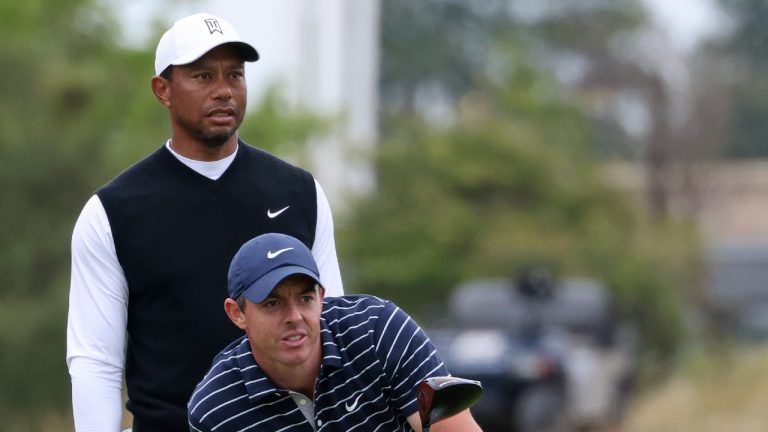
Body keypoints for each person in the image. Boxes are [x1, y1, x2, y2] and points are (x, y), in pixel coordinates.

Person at [66, 13, 344, 432]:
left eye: (235, 75)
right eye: (203, 76)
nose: (224, 90)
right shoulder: (112, 212)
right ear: (163, 90)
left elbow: (332, 327)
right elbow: (95, 362)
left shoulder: (300, 192)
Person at [187, 233, 483, 431]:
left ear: (322, 297)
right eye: (272, 303)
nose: (294, 317)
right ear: (237, 313)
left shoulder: (378, 330)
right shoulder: (215, 409)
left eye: (305, 298)